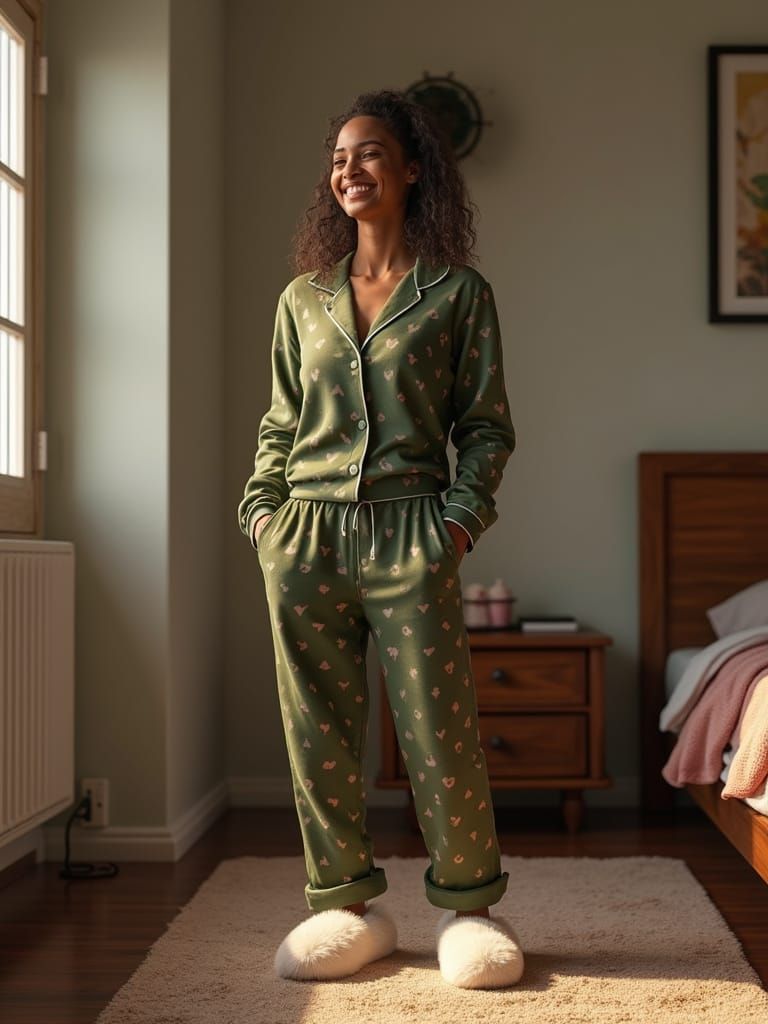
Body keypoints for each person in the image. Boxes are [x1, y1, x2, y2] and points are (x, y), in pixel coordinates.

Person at [237, 88, 524, 988]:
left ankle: (470, 908)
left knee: (438, 728)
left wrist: (458, 522)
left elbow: (484, 426)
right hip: (306, 532)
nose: (348, 171)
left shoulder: (457, 296)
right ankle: (343, 904)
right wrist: (262, 515)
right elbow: (280, 423)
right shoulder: (301, 300)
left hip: (413, 530)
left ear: (410, 170)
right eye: (337, 160)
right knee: (316, 725)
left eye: (368, 155)